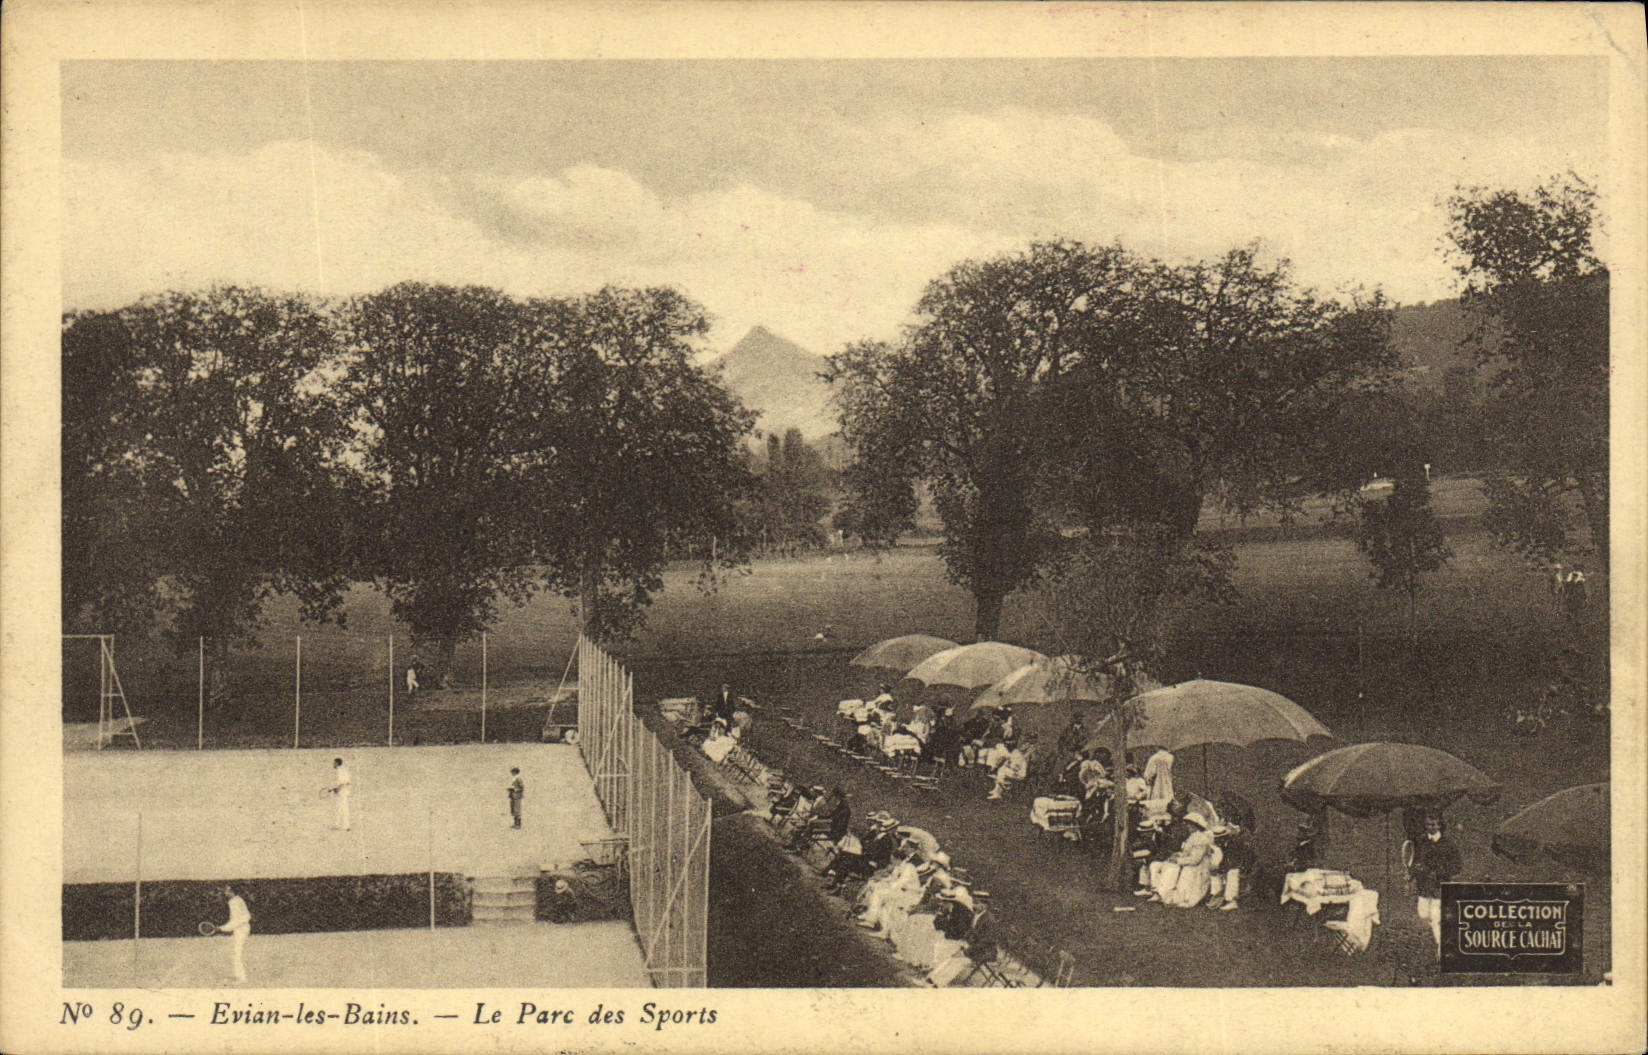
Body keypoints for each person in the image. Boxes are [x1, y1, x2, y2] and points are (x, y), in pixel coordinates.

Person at [1410, 813, 1461, 955]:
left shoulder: (1448, 844)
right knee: (1423, 915)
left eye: (1434, 824)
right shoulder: (1420, 843)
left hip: (1440, 887)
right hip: (1424, 887)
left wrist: (1440, 872)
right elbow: (1415, 861)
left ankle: (1441, 948)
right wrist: (1415, 873)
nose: (1430, 827)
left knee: (1436, 917)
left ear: (1440, 825)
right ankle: (1434, 943)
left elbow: (1457, 866)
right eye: (1428, 825)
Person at [216, 885, 252, 983]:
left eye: (227, 890)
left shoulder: (233, 902)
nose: (225, 892)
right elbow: (244, 917)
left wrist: (222, 928)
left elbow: (236, 921)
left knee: (237, 953)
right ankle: (238, 975)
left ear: (232, 891)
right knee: (235, 952)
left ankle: (242, 978)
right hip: (242, 928)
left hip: (241, 929)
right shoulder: (238, 899)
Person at [327, 757, 352, 831]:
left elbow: (342, 782)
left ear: (337, 763)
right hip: (345, 792)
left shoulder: (339, 771)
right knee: (344, 808)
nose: (333, 765)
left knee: (339, 809)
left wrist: (337, 789)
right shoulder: (344, 770)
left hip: (342, 792)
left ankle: (338, 825)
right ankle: (346, 826)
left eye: (334, 763)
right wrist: (333, 789)